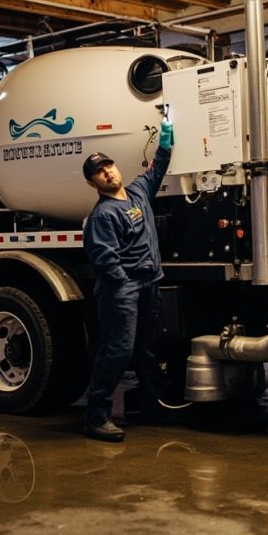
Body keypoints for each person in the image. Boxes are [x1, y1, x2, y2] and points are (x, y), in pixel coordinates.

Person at [81, 117, 174, 442]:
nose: (107, 172)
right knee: (118, 350)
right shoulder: (102, 215)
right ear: (93, 183)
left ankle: (151, 406)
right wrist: (124, 284)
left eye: (108, 166)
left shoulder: (138, 192)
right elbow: (104, 259)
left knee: (147, 349)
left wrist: (166, 140)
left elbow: (158, 167)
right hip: (123, 290)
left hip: (150, 284)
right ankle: (96, 417)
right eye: (99, 172)